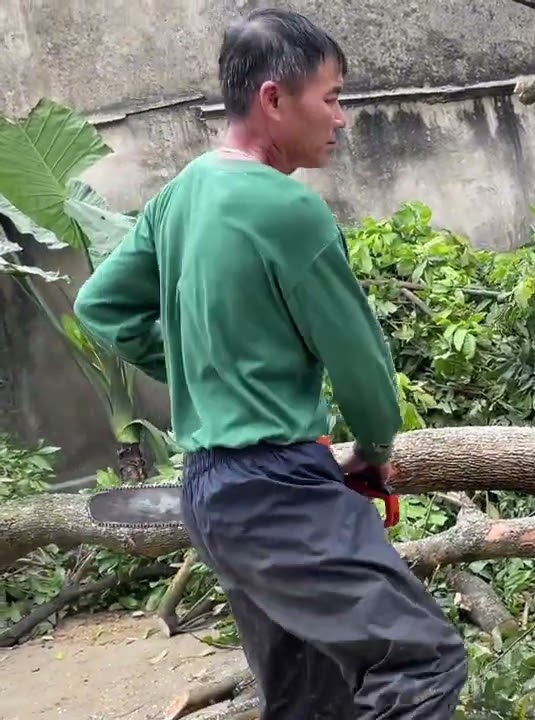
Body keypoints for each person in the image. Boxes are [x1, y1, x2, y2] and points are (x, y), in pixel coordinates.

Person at [73, 8, 468, 719]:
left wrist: (207, 372)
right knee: (421, 662)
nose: (341, 118)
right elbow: (363, 369)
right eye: (331, 96)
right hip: (280, 489)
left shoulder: (180, 196)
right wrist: (374, 452)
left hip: (210, 494)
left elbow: (101, 306)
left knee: (308, 698)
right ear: (274, 100)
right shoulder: (289, 210)